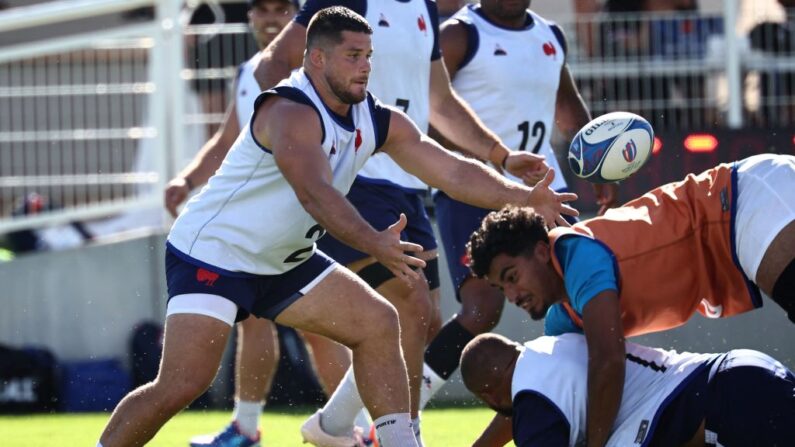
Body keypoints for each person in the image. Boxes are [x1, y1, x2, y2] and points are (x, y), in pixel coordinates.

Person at [96, 7, 577, 447]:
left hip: (283, 261)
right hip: (215, 254)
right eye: (353, 56)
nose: (366, 66)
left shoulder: (376, 117)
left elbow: (450, 170)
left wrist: (524, 196)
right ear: (317, 59)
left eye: (368, 55)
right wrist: (375, 243)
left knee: (379, 322)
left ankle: (385, 440)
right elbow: (316, 195)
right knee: (183, 382)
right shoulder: (289, 111)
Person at [256, 1, 562, 444]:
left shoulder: (423, 7)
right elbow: (275, 63)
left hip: (406, 186)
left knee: (417, 324)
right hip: (355, 174)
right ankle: (401, 438)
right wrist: (296, 139)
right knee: (411, 303)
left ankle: (334, 425)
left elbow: (440, 101)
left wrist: (501, 156)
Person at [466, 153, 795, 446]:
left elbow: (607, 361)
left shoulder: (576, 255)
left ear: (541, 252)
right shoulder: (563, 318)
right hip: (742, 221)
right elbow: (532, 391)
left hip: (746, 199)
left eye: (511, 277)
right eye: (501, 289)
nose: (511, 296)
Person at [163, 1, 356, 445]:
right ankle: (247, 427)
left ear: (297, 16)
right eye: (262, 9)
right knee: (251, 321)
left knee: (328, 328)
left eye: (281, 9)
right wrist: (188, 179)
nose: (271, 18)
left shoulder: (320, 73)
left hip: (308, 219)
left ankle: (352, 428)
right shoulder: (250, 70)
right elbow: (227, 140)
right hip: (254, 228)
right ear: (249, 17)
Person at [419, 0, 617, 407]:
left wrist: (596, 163)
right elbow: (429, 113)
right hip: (475, 190)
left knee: (573, 285)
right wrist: (466, 164)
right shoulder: (459, 34)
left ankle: (576, 395)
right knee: (481, 309)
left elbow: (567, 106)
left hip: (543, 191)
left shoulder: (550, 35)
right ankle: (408, 407)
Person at [460, 332, 795, 446]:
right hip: (741, 374)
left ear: (490, 396)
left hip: (728, 407)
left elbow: (528, 410)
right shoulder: (553, 343)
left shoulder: (532, 410)